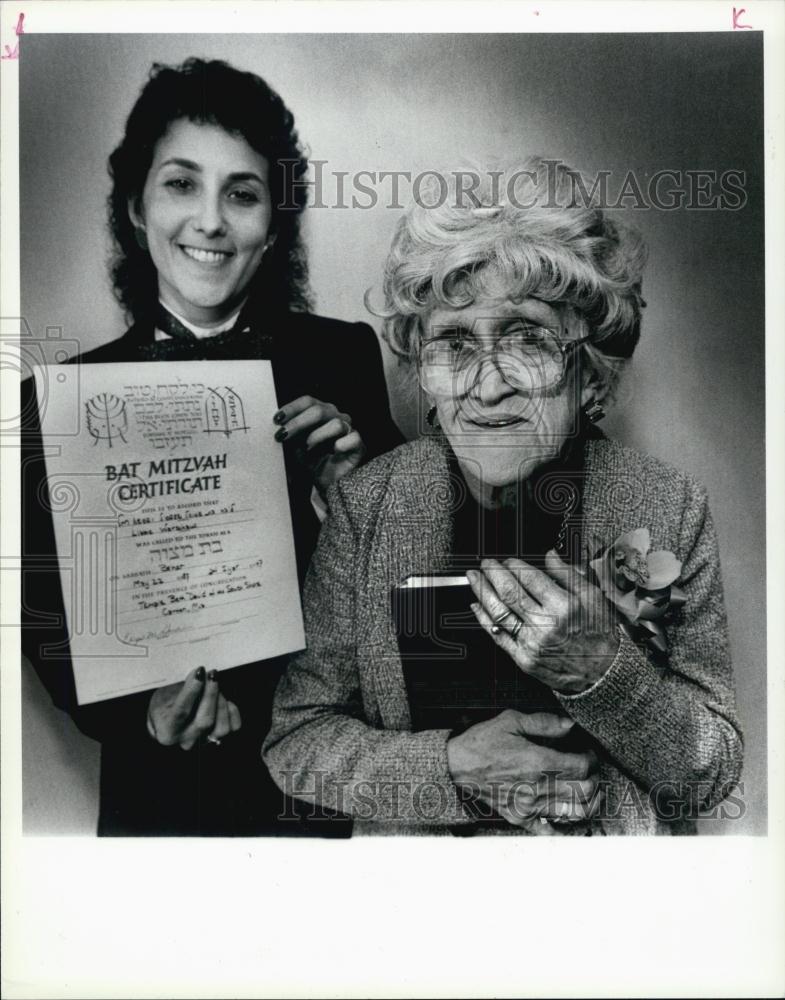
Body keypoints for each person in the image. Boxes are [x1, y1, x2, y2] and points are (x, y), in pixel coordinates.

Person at [263, 158, 744, 835]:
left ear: (591, 375)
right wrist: (453, 770)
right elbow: (295, 742)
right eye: (454, 345)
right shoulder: (366, 507)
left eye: (528, 342)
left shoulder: (664, 506)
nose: (487, 389)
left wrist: (605, 671)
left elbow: (711, 771)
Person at [21, 58, 402, 836]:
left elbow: (415, 595)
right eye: (180, 184)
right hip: (158, 797)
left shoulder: (344, 361)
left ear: (273, 223)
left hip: (324, 788)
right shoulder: (58, 401)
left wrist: (354, 486)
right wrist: (142, 715)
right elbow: (46, 619)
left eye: (242, 193)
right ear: (134, 206)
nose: (211, 222)